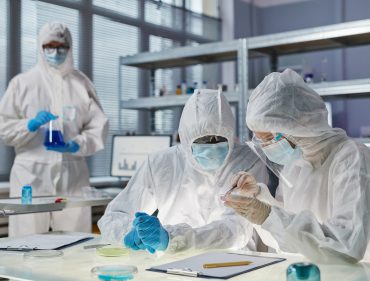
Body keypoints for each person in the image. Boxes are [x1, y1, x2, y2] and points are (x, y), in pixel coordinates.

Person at [223, 68, 370, 263]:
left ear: (299, 124)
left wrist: (267, 216)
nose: (267, 147)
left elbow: (345, 246)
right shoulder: (295, 164)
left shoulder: (351, 158)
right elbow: (283, 237)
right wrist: (258, 197)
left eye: (269, 138)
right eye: (260, 141)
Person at [98, 89, 268, 253]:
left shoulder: (249, 161)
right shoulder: (161, 163)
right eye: (202, 139)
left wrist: (172, 239)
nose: (211, 145)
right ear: (185, 138)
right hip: (172, 260)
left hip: (234, 262)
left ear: (230, 134)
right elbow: (115, 215)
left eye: (218, 139)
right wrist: (130, 232)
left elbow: (236, 230)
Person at [0, 22, 108, 237]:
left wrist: (75, 143)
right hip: (30, 175)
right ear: (41, 47)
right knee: (26, 239)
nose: (56, 51)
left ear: (69, 48)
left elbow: (98, 127)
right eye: (50, 46)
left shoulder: (81, 84)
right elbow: (4, 128)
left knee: (75, 238)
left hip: (73, 172)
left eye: (61, 46)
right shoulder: (22, 83)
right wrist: (29, 125)